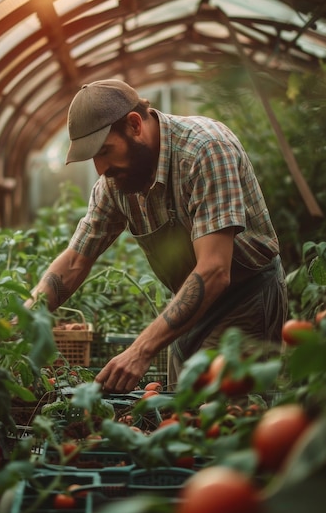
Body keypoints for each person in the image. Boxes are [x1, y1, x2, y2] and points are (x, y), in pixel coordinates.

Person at [25, 79, 288, 392]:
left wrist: (140, 349)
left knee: (220, 418)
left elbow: (216, 270)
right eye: (92, 157)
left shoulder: (204, 151)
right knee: (182, 416)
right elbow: (75, 261)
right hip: (188, 302)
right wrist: (24, 317)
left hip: (245, 299)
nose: (100, 168)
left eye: (105, 150)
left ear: (135, 125)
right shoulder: (116, 182)